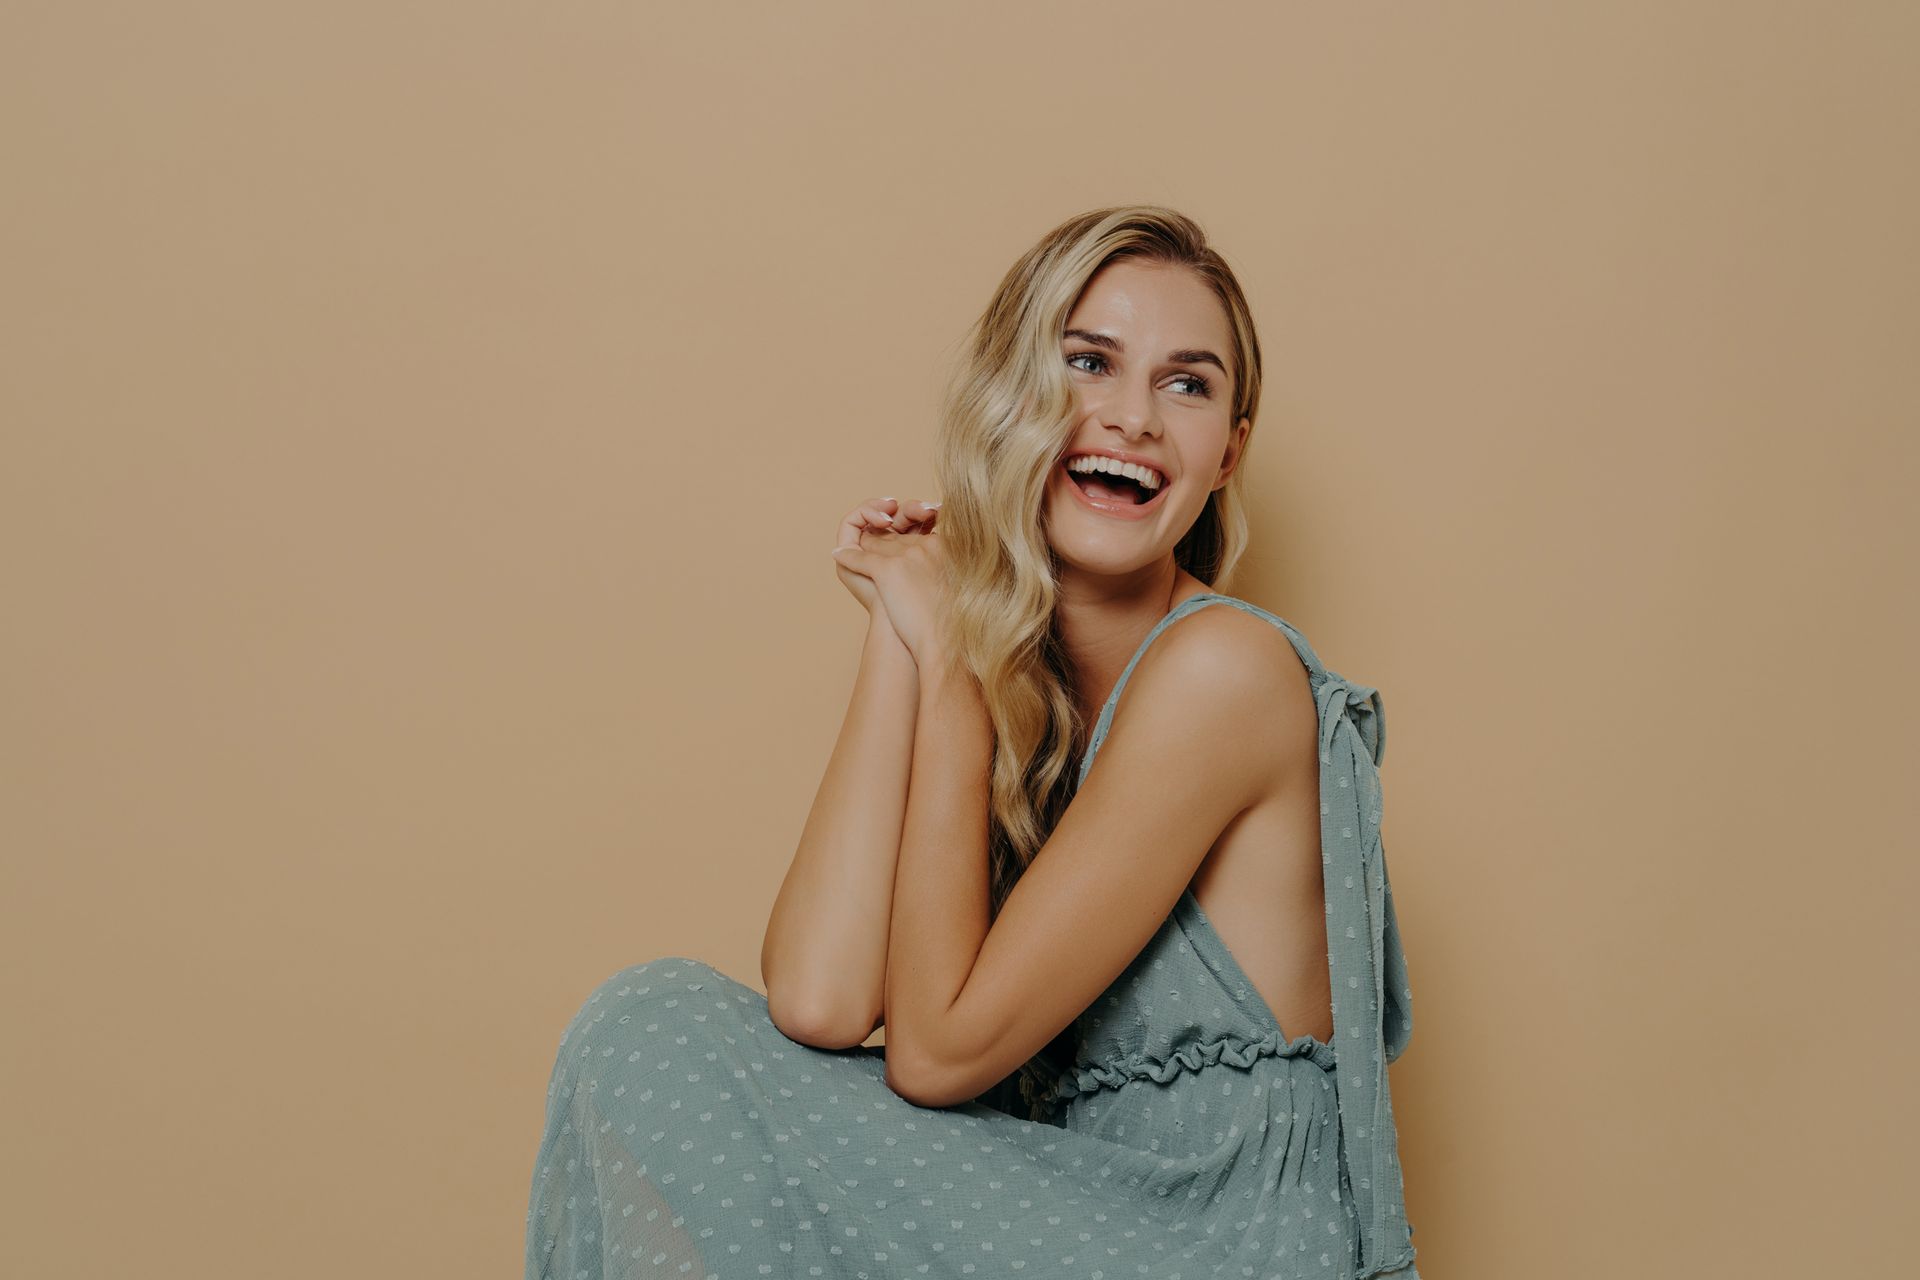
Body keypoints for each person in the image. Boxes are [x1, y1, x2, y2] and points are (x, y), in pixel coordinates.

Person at [523, 205, 1422, 1280]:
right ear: (1014, 401)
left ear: (1229, 453)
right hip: (1073, 1215)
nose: (1134, 417)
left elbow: (939, 1052)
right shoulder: (1020, 694)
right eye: (1090, 362)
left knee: (655, 1033)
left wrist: (950, 654)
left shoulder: (1223, 672)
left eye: (1187, 383)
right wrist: (911, 634)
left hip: (1220, 1246)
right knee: (649, 1026)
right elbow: (820, 996)